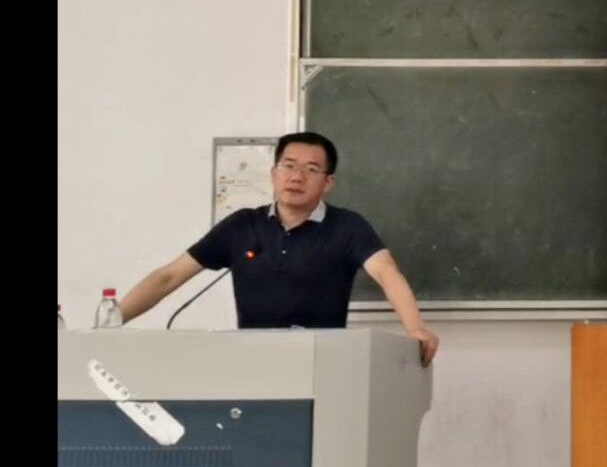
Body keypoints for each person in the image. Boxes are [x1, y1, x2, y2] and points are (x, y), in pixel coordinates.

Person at [118, 132, 440, 365]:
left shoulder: (348, 226)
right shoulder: (242, 225)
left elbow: (386, 272)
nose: (296, 177)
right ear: (273, 174)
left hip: (324, 364)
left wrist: (416, 328)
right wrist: (109, 322)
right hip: (253, 362)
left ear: (328, 182)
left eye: (311, 169)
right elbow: (169, 277)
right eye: (288, 166)